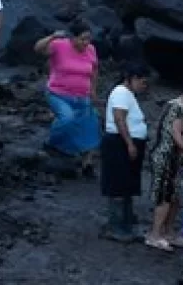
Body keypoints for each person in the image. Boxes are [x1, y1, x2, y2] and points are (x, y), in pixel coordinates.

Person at [145, 80, 183, 252]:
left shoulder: (175, 105)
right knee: (164, 195)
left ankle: (168, 232)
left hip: (171, 157)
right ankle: (155, 235)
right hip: (166, 156)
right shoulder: (179, 108)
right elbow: (176, 131)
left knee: (174, 196)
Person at [34, 19, 100, 177]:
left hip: (82, 95)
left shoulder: (91, 49)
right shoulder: (60, 45)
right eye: (82, 39)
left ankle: (87, 164)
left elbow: (95, 70)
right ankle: (52, 143)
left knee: (91, 124)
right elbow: (38, 49)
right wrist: (52, 37)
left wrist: (93, 90)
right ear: (73, 38)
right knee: (67, 118)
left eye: (88, 39)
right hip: (58, 94)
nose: (86, 42)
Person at [100, 62, 151, 242]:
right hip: (118, 143)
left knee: (127, 185)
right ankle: (115, 226)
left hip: (127, 142)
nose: (144, 87)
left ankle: (126, 224)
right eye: (143, 83)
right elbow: (119, 118)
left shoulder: (127, 94)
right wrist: (129, 143)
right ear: (133, 79)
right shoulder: (121, 93)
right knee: (118, 185)